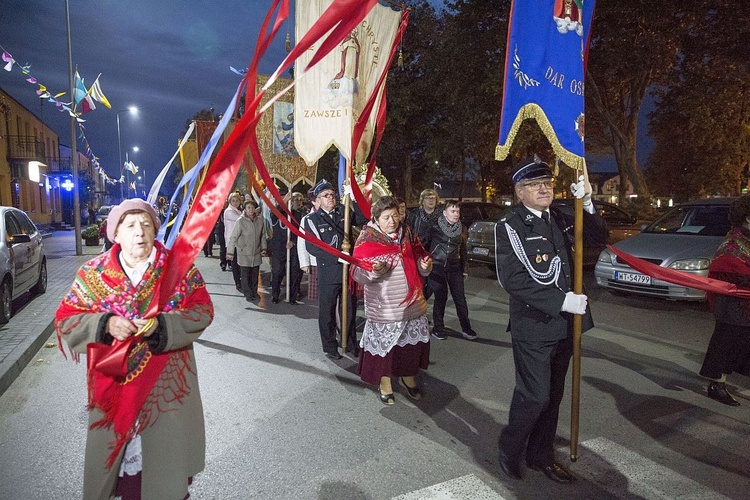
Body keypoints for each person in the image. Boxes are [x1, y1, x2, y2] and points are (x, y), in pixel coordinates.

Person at [54, 198, 214, 500]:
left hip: (166, 390)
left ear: (155, 229)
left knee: (164, 473)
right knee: (122, 472)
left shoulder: (179, 270)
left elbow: (202, 310)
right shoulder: (93, 273)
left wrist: (162, 326)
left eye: (145, 224)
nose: (139, 232)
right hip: (113, 390)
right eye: (130, 226)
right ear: (115, 234)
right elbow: (66, 318)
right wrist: (105, 325)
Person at [494, 158, 606, 483]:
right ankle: (510, 446)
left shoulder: (561, 216)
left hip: (566, 326)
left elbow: (599, 236)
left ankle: (540, 456)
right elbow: (512, 279)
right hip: (534, 326)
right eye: (534, 184)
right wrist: (562, 300)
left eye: (547, 183)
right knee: (536, 394)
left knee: (554, 395)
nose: (544, 188)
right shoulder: (510, 226)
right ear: (519, 192)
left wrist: (586, 202)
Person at [351, 196, 433, 405]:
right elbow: (356, 273)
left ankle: (408, 376)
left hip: (412, 302)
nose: (392, 221)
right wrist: (374, 271)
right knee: (386, 350)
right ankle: (385, 382)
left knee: (408, 348)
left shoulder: (407, 234)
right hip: (385, 306)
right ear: (376, 219)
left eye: (395, 215)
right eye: (386, 217)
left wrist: (424, 266)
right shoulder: (367, 239)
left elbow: (419, 258)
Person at [303, 179, 367, 360]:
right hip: (329, 271)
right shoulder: (311, 219)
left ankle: (350, 343)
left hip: (348, 273)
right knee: (328, 311)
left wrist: (353, 199)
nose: (331, 198)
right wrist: (338, 256)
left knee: (349, 310)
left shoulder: (343, 212)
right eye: (326, 195)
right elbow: (313, 247)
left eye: (332, 194)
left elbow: (363, 218)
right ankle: (330, 346)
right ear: (317, 200)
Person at [699, 195, 750, 406]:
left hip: (742, 305)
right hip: (732, 305)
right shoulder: (733, 243)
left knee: (739, 343)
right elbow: (727, 271)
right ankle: (717, 384)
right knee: (726, 343)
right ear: (747, 217)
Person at [426, 199, 478, 341]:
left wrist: (464, 268)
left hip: (454, 267)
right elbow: (425, 244)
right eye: (453, 211)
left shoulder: (462, 229)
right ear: (445, 213)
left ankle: (466, 329)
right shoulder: (434, 227)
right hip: (437, 267)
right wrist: (425, 263)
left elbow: (463, 250)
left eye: (458, 211)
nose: (456, 214)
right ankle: (438, 328)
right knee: (440, 298)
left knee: (460, 299)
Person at [227, 199, 267, 301]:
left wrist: (263, 248)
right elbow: (234, 237)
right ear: (245, 209)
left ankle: (254, 292)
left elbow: (262, 236)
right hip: (244, 253)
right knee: (245, 276)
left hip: (256, 253)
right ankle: (248, 293)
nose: (251, 210)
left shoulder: (260, 221)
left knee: (255, 275)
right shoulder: (240, 221)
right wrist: (230, 252)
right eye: (248, 207)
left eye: (252, 208)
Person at [269, 192, 303, 304]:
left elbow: (300, 232)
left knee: (294, 273)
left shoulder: (296, 215)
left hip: (292, 249)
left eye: (290, 201)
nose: (289, 203)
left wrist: (293, 241)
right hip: (279, 249)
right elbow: (276, 212)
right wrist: (283, 202)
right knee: (277, 272)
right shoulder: (276, 214)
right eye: (286, 200)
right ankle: (275, 295)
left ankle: (292, 297)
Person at [298, 191, 319, 302]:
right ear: (313, 201)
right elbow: (302, 241)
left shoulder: (333, 215)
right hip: (314, 261)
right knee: (319, 296)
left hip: (331, 261)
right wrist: (304, 263)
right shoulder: (307, 219)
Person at [224, 192, 243, 290]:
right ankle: (238, 282)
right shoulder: (229, 211)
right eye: (233, 201)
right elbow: (240, 219)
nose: (235, 203)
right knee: (235, 262)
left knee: (239, 262)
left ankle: (241, 280)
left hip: (239, 240)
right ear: (230, 201)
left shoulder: (238, 211)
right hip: (232, 241)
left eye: (237, 201)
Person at [216, 201, 228, 271]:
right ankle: (223, 263)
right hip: (221, 231)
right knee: (223, 248)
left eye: (226, 203)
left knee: (229, 248)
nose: (224, 205)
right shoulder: (219, 212)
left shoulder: (230, 211)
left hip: (229, 231)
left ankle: (229, 262)